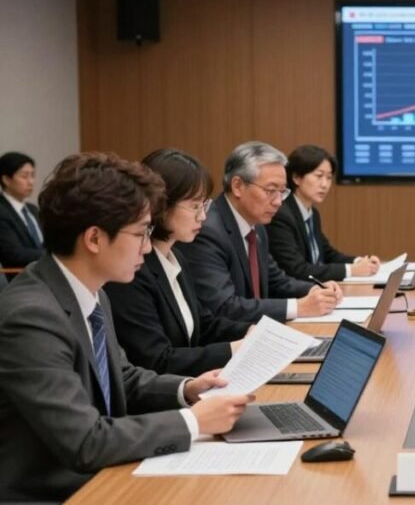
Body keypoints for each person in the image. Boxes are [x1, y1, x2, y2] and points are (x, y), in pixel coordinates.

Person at [0, 152, 251, 502]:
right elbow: (85, 441)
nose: (147, 247)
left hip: (104, 475)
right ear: (94, 239)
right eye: (140, 233)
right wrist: (194, 422)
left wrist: (187, 389)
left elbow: (122, 376)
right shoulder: (31, 317)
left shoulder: (92, 293)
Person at [106, 149, 251, 376]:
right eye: (194, 206)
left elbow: (203, 324)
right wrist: (233, 350)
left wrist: (251, 331)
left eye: (204, 205)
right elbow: (156, 360)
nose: (202, 216)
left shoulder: (176, 255)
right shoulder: (132, 270)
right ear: (161, 204)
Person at [178, 142, 341, 324]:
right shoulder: (207, 231)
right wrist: (299, 307)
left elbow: (276, 281)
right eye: (270, 191)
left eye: (282, 192)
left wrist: (315, 290)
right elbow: (224, 306)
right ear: (238, 186)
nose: (278, 202)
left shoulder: (257, 226)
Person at [267, 145, 380, 282]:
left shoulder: (312, 213)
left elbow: (327, 254)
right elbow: (296, 270)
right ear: (296, 178)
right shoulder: (281, 215)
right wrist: (351, 270)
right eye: (319, 176)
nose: (325, 184)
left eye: (329, 177)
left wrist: (359, 261)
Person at [0, 151, 45, 266]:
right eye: (24, 176)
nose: (31, 182)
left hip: (42, 271)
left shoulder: (33, 210)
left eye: (32, 175)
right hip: (18, 274)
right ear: (6, 180)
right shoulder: (2, 211)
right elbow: (13, 254)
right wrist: (53, 257)